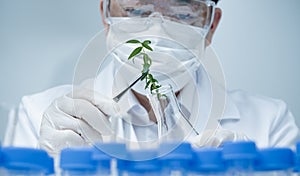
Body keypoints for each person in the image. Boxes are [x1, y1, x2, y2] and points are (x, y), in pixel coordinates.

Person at [5, 0, 300, 157]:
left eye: (183, 14)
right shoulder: (39, 117)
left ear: (211, 26)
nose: (156, 32)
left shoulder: (270, 124)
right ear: (106, 15)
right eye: (136, 10)